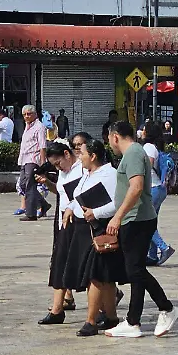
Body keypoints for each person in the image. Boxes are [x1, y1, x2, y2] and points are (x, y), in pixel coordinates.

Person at [105, 122, 178, 338]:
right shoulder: (134, 153)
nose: (109, 143)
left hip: (137, 220)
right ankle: (133, 321)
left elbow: (136, 188)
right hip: (133, 219)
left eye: (109, 138)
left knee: (135, 270)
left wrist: (117, 217)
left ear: (115, 136)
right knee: (134, 270)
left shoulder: (135, 153)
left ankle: (167, 308)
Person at [62, 139, 124, 337]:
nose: (80, 158)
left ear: (94, 156)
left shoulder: (110, 174)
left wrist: (95, 212)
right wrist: (70, 208)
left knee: (95, 275)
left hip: (100, 228)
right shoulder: (87, 174)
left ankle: (91, 320)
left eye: (83, 154)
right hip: (83, 229)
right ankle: (111, 317)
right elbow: (77, 195)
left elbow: (118, 202)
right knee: (103, 277)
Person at [38, 141, 82, 324]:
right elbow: (61, 192)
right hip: (63, 220)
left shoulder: (81, 169)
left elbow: (82, 195)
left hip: (78, 221)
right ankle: (57, 309)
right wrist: (47, 182)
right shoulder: (63, 172)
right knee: (59, 263)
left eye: (58, 163)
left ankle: (106, 306)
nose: (58, 167)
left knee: (82, 266)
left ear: (67, 154)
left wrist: (72, 207)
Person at [141, 123, 175, 266]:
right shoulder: (155, 147)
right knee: (151, 221)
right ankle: (153, 255)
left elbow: (147, 166)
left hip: (152, 189)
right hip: (159, 189)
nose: (141, 131)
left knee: (145, 223)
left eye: (144, 129)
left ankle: (164, 248)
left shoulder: (148, 147)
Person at [17, 105, 49, 222]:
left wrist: (42, 163)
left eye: (29, 114)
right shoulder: (27, 127)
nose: (26, 116)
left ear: (35, 114)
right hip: (24, 159)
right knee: (23, 185)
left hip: (33, 159)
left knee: (30, 186)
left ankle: (31, 214)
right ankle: (43, 204)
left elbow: (42, 146)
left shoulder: (39, 127)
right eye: (24, 114)